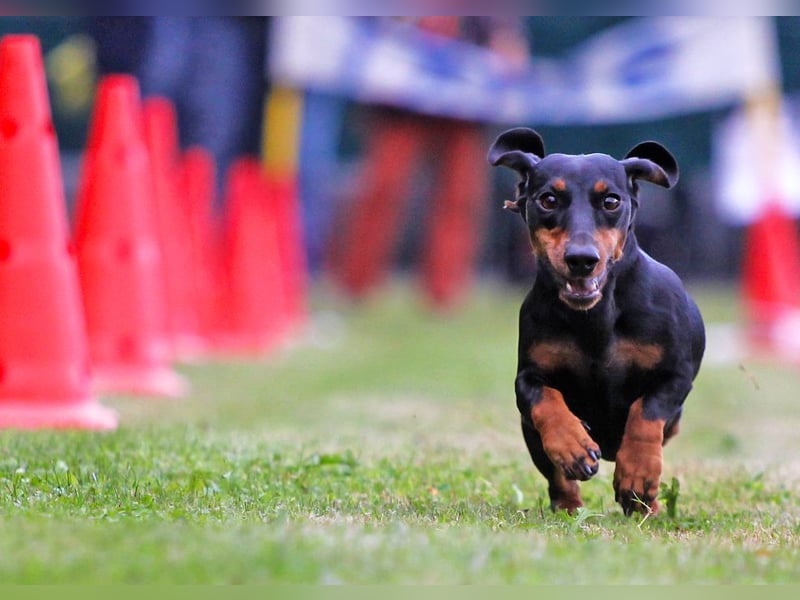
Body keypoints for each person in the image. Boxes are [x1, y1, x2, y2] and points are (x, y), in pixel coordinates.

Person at [328, 17, 530, 310]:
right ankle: (355, 285)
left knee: (459, 195)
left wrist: (505, 33)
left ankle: (445, 292)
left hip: (464, 89)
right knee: (383, 188)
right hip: (401, 84)